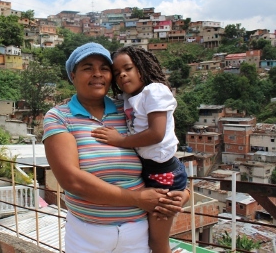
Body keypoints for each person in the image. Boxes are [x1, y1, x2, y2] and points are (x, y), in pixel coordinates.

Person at [43, 42, 189, 253]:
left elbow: (161, 155)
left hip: (137, 235)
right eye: (87, 68)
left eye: (104, 68)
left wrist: (181, 194)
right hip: (88, 236)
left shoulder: (129, 108)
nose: (97, 74)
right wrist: (137, 198)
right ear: (72, 76)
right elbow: (71, 180)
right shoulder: (59, 117)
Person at [91, 46, 188, 253]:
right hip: (151, 171)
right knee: (148, 239)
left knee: (158, 242)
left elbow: (156, 133)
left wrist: (120, 140)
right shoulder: (129, 97)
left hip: (163, 173)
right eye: (117, 73)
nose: (122, 75)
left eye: (128, 68)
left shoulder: (154, 91)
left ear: (142, 68)